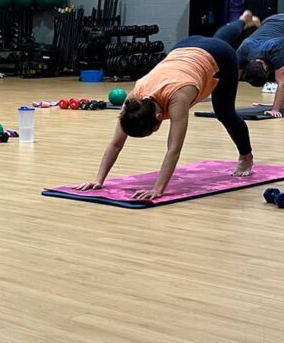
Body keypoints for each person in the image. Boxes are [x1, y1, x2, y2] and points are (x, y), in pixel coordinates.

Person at [76, 10, 259, 202]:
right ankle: (241, 21)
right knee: (217, 39)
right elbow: (115, 143)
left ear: (158, 118)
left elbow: (174, 148)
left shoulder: (177, 99)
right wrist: (99, 180)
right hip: (184, 47)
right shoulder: (133, 100)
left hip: (220, 56)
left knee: (224, 112)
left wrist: (158, 189)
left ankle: (246, 158)